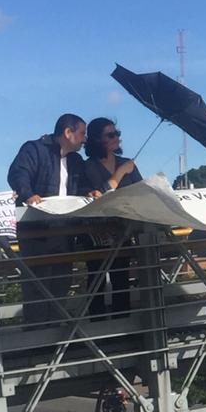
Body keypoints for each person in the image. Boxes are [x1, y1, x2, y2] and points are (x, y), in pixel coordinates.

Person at [7, 113, 96, 324]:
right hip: (37, 232)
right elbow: (18, 174)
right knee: (37, 283)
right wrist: (28, 195)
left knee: (61, 281)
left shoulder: (75, 161)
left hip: (64, 232)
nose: (85, 139)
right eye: (82, 133)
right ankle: (38, 339)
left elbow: (80, 186)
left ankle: (55, 333)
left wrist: (89, 193)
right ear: (68, 132)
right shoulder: (34, 149)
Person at [82, 118, 144, 316]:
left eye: (116, 133)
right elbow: (95, 195)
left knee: (121, 280)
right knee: (96, 281)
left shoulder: (127, 163)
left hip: (123, 232)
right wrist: (119, 174)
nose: (116, 137)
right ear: (97, 140)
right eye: (110, 135)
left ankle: (123, 325)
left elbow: (142, 192)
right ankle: (98, 327)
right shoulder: (87, 167)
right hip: (95, 235)